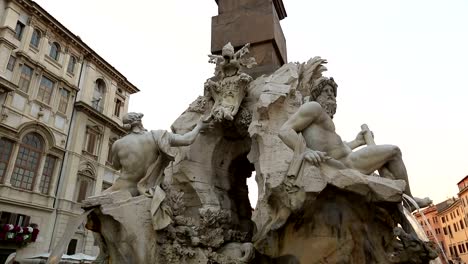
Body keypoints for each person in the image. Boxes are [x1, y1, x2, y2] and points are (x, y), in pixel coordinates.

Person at [278, 77, 431, 209]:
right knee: (394, 151)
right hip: (347, 165)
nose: (331, 95)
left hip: (347, 162)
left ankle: (397, 193)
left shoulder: (324, 121)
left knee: (385, 158)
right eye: (326, 91)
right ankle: (409, 199)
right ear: (317, 95)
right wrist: (306, 152)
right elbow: (285, 130)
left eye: (333, 92)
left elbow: (337, 149)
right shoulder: (313, 108)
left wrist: (357, 142)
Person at [104, 112, 208, 197]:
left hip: (122, 188)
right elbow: (187, 139)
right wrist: (199, 126)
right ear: (140, 123)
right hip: (147, 189)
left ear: (127, 126)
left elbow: (116, 166)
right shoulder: (158, 136)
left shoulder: (118, 144)